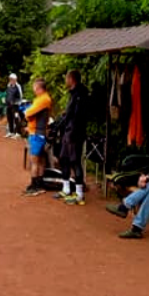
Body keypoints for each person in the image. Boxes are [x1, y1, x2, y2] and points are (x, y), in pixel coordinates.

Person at [55, 70, 89, 205]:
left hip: (74, 133)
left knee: (75, 161)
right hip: (68, 132)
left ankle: (80, 194)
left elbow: (75, 115)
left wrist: (66, 128)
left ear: (72, 79)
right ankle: (66, 188)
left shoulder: (81, 94)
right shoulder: (73, 93)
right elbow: (68, 114)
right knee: (64, 159)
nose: (65, 80)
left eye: (66, 78)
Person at [22, 78, 54, 196]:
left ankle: (34, 185)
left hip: (37, 133)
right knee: (39, 160)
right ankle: (39, 184)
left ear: (40, 88)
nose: (34, 90)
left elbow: (28, 113)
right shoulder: (41, 99)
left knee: (34, 160)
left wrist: (27, 115)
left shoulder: (43, 99)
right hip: (37, 132)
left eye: (35, 88)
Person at [4, 73, 25, 139]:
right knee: (9, 118)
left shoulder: (18, 86)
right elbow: (7, 94)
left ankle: (18, 133)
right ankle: (11, 132)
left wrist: (17, 102)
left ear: (15, 79)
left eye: (12, 79)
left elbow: (21, 96)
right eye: (10, 79)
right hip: (8, 105)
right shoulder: (8, 85)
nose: (11, 80)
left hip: (15, 106)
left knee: (16, 119)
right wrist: (6, 100)